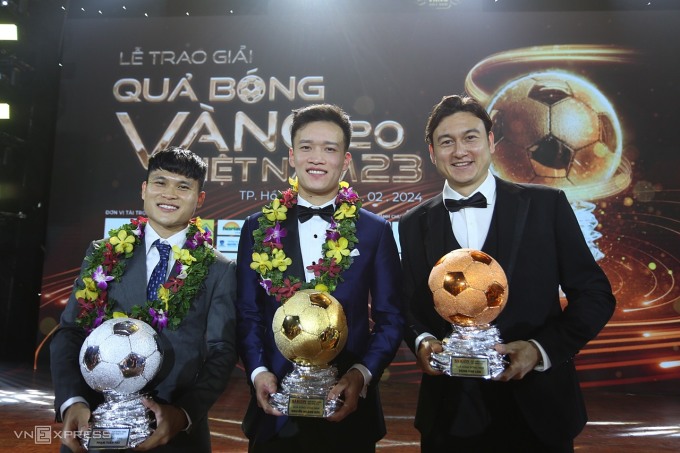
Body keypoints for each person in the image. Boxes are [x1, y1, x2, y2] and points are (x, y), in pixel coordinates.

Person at [398, 94, 616, 452]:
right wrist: (421, 342)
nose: (460, 151)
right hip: (449, 416)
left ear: (491, 141)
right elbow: (409, 305)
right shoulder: (412, 223)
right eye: (446, 141)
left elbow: (595, 295)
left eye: (470, 137)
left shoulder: (547, 206)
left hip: (539, 410)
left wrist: (540, 349)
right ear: (433, 151)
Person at [235, 103, 404, 452]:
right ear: (292, 155)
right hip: (274, 407)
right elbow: (248, 314)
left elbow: (390, 318)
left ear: (345, 160)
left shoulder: (374, 230)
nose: (317, 158)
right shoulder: (257, 227)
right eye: (307, 147)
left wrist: (361, 375)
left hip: (347, 406)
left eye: (329, 149)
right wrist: (257, 373)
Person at [50, 146, 238, 452]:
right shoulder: (104, 253)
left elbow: (222, 353)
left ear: (199, 199)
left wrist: (183, 414)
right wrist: (73, 402)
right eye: (160, 182)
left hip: (174, 435)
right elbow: (70, 332)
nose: (170, 194)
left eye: (183, 187)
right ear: (144, 189)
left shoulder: (219, 269)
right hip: (96, 425)